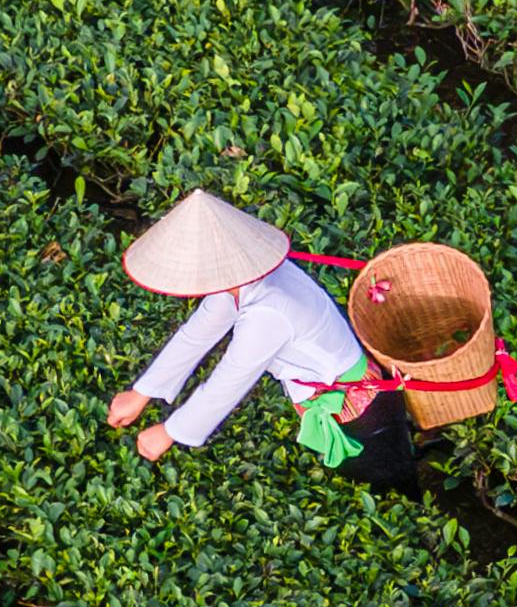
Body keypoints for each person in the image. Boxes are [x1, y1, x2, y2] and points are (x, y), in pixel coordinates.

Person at [105, 190, 418, 489]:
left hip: (360, 407)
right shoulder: (246, 277)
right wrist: (141, 393)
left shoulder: (268, 314)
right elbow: (197, 332)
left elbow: (228, 382)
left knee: (384, 480)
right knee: (364, 477)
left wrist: (169, 433)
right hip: (334, 394)